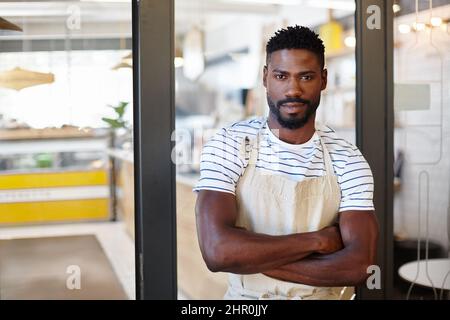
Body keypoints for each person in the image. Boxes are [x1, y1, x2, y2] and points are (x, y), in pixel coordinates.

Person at [193, 25, 378, 300]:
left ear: (323, 79)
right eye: (281, 76)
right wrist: (319, 240)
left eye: (306, 77)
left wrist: (249, 255)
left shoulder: (347, 159)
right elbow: (217, 251)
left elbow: (360, 267)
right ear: (265, 77)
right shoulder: (230, 144)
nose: (293, 89)